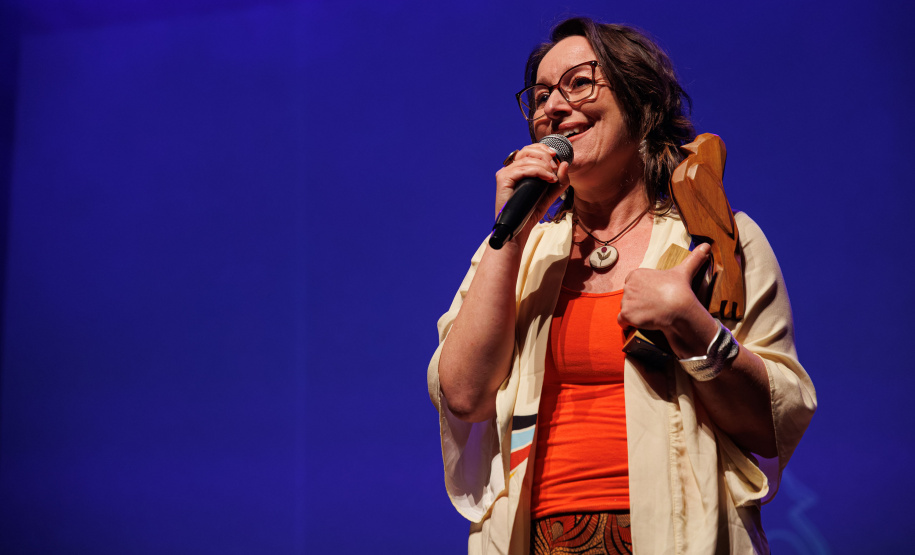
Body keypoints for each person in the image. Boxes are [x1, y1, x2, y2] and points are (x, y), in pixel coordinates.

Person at [427, 17, 816, 555]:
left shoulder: (718, 239)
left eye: (579, 83)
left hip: (679, 535)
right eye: (540, 96)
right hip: (538, 539)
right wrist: (509, 237)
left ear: (639, 101)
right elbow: (465, 396)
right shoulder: (522, 251)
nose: (552, 108)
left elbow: (772, 425)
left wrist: (694, 327)